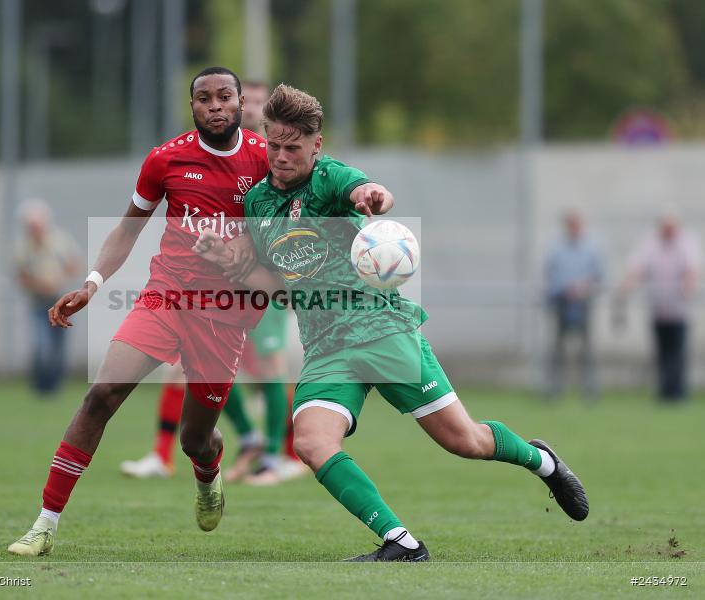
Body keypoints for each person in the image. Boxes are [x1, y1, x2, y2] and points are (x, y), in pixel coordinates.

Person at [194, 84, 588, 562]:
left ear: (316, 146)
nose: (279, 156)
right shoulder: (257, 204)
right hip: (325, 346)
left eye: (292, 147)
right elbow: (277, 284)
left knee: (465, 441)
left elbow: (365, 189)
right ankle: (401, 542)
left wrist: (373, 195)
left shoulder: (329, 178)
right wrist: (231, 264)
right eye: (273, 144)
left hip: (380, 328)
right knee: (313, 443)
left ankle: (542, 461)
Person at [7, 66, 270, 556]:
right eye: (205, 98)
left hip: (225, 315)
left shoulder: (264, 162)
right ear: (192, 107)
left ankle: (208, 474)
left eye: (225, 96)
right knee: (101, 395)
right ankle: (44, 524)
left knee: (197, 440)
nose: (215, 105)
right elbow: (127, 230)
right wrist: (91, 283)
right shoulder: (165, 159)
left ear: (239, 104)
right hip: (166, 297)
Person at [119, 80, 306, 485]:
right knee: (191, 372)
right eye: (250, 101)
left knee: (271, 368)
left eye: (256, 102)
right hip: (209, 292)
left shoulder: (271, 161)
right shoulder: (214, 155)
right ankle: (177, 451)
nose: (252, 108)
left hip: (258, 288)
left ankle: (277, 455)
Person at [619, 210, 701, 402]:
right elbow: (638, 266)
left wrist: (689, 285)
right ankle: (664, 392)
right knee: (662, 352)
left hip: (680, 310)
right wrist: (628, 285)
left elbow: (692, 268)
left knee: (677, 352)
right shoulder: (651, 242)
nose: (668, 232)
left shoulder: (687, 242)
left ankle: (678, 393)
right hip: (658, 308)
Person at [14, 200, 82, 395]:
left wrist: (59, 281)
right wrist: (39, 285)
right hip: (38, 303)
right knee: (41, 345)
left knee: (58, 348)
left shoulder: (60, 241)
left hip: (62, 303)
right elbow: (20, 275)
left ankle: (54, 387)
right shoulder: (23, 248)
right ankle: (40, 386)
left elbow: (73, 264)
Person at [543, 210, 604, 401]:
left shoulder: (592, 248)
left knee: (586, 350)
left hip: (583, 304)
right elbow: (549, 275)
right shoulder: (557, 248)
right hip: (561, 303)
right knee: (557, 350)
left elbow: (599, 276)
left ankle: (589, 391)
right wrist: (563, 290)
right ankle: (554, 390)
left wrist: (583, 289)